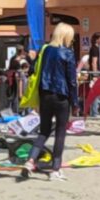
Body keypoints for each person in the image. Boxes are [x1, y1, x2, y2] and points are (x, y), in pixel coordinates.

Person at [21, 23, 78, 181]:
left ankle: (30, 160)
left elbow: (33, 70)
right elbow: (72, 80)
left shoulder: (44, 50)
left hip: (45, 94)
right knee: (60, 133)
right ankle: (55, 169)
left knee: (44, 131)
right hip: (61, 95)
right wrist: (75, 103)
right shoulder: (68, 53)